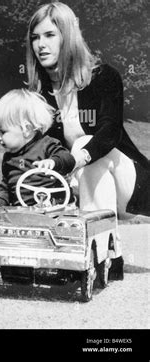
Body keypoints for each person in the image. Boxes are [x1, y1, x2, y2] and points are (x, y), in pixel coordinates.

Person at [26, 2, 150, 218]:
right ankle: (108, 249)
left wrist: (77, 159)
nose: (40, 45)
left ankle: (99, 240)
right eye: (35, 37)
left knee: (85, 146)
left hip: (128, 185)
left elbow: (111, 131)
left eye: (49, 35)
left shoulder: (104, 77)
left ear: (68, 36)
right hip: (80, 185)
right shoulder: (39, 96)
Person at [0, 89, 75, 207]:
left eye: (3, 132)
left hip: (55, 209)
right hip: (22, 212)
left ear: (26, 129)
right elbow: (5, 188)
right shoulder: (8, 158)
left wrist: (53, 162)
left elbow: (68, 159)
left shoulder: (47, 145)